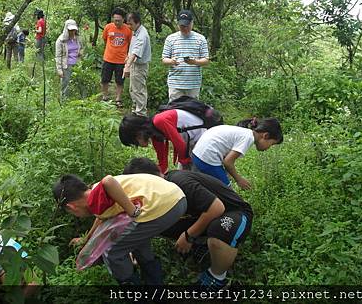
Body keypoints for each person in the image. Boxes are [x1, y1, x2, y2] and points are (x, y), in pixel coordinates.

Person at [123, 157, 253, 288]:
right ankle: (202, 247)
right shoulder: (160, 193)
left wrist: (188, 236)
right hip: (205, 214)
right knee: (158, 222)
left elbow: (217, 207)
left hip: (234, 212)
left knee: (218, 230)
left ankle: (217, 277)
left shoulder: (179, 181)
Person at [52, 173, 187, 285]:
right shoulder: (95, 193)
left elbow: (108, 181)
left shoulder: (96, 195)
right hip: (175, 197)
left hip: (164, 206)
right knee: (134, 240)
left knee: (111, 251)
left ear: (71, 207)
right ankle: (155, 286)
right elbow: (101, 218)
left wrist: (132, 211)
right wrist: (86, 239)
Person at [191, 118, 283, 189]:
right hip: (207, 158)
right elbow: (227, 162)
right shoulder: (248, 138)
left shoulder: (243, 132)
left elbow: (225, 156)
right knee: (227, 192)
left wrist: (227, 175)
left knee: (200, 186)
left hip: (197, 154)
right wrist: (239, 180)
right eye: (271, 144)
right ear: (265, 136)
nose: (268, 148)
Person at [119, 109, 207, 174]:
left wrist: (185, 164)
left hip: (202, 135)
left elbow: (180, 144)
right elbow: (162, 162)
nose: (137, 145)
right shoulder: (155, 136)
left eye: (134, 142)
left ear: (137, 134)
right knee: (184, 173)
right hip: (190, 142)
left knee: (196, 172)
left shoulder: (159, 121)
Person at [162, 9, 210, 101]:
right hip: (175, 83)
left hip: (193, 84)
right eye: (182, 26)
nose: (185, 28)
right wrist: (171, 61)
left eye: (187, 25)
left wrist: (195, 62)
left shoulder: (200, 39)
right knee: (174, 111)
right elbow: (164, 59)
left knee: (192, 111)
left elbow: (206, 60)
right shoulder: (170, 39)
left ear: (192, 23)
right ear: (178, 24)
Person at [101, 8, 132, 107]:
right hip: (108, 58)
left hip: (121, 60)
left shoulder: (128, 29)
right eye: (115, 20)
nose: (116, 22)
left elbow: (131, 44)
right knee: (105, 79)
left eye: (119, 20)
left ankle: (118, 99)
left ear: (124, 19)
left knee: (120, 80)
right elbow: (105, 40)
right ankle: (105, 97)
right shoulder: (108, 27)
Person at [123, 11, 151, 116]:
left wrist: (127, 66)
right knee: (133, 89)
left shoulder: (142, 35)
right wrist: (128, 59)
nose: (129, 26)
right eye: (128, 23)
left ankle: (141, 114)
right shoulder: (136, 31)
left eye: (131, 24)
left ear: (138, 22)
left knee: (139, 90)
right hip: (135, 65)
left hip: (140, 66)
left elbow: (136, 53)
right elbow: (132, 50)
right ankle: (135, 111)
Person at [55, 19, 84, 99]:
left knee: (80, 84)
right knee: (65, 85)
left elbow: (81, 47)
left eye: (74, 30)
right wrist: (59, 70)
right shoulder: (61, 40)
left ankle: (81, 100)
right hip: (66, 66)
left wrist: (80, 53)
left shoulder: (78, 38)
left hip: (77, 65)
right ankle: (64, 102)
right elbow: (58, 56)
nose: (72, 31)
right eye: (70, 30)